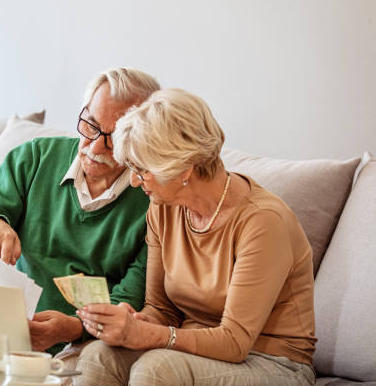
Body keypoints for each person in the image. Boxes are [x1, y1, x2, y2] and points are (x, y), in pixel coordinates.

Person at [75, 88, 317, 385]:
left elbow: (235, 341)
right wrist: (134, 323)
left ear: (181, 167)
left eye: (142, 170)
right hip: (191, 350)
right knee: (98, 355)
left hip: (272, 362)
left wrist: (151, 336)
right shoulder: (163, 209)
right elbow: (161, 309)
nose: (135, 181)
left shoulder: (263, 222)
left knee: (157, 369)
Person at [0, 68, 161, 358]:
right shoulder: (34, 157)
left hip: (85, 345)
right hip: (3, 331)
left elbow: (132, 299)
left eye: (115, 137)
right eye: (90, 125)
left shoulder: (154, 200)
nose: (96, 146)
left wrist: (74, 328)